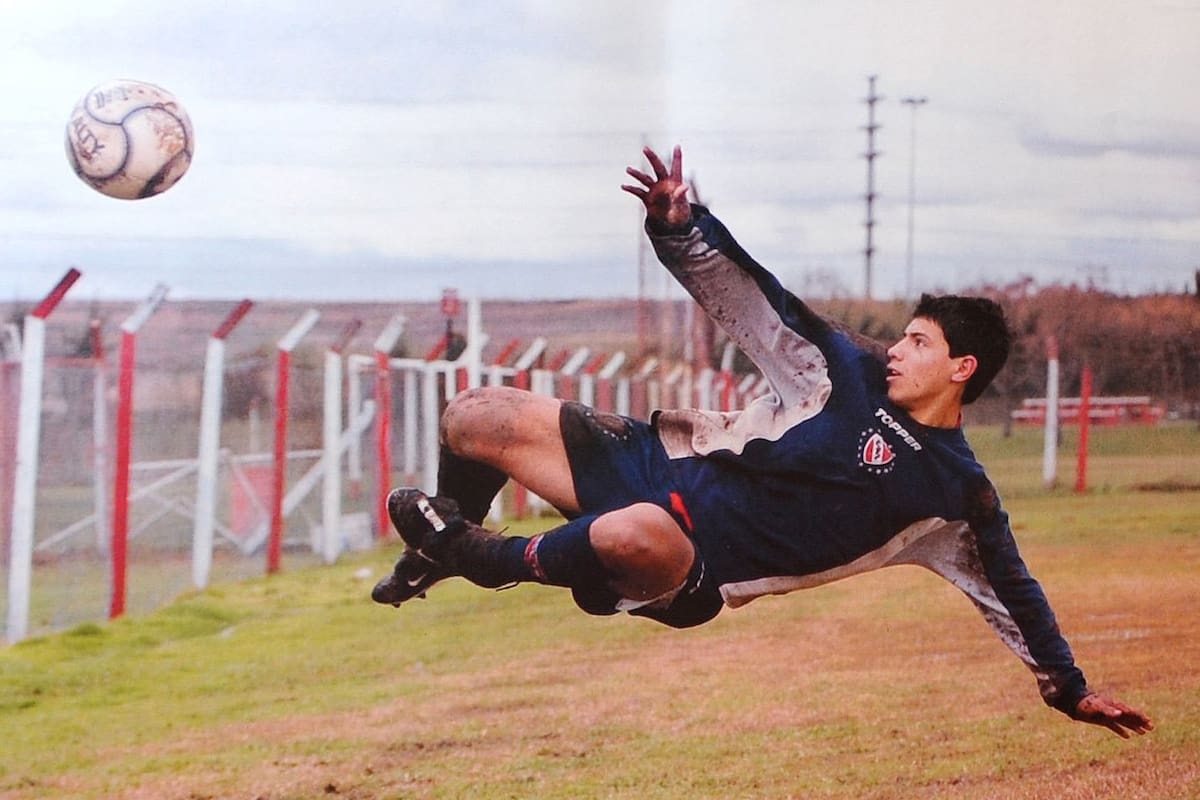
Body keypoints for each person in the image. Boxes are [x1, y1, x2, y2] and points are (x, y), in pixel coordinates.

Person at [372, 145, 1153, 739]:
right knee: (475, 414)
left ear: (962, 367)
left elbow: (1011, 589)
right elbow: (753, 300)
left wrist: (1067, 685)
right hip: (654, 462)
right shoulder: (845, 370)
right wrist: (681, 227)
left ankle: (478, 556)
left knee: (630, 532)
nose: (899, 350)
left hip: (692, 567)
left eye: (917, 342)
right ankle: (441, 539)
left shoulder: (955, 496)